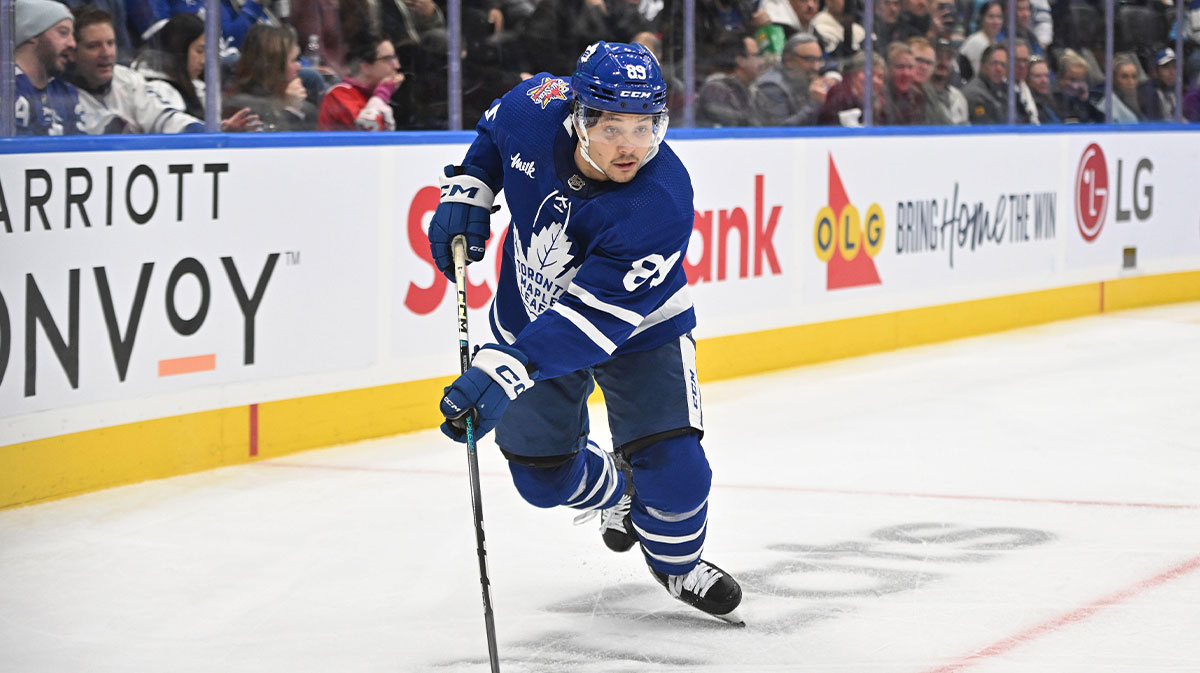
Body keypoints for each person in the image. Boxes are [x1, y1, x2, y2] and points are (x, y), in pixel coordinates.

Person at [428, 40, 744, 624]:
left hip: (639, 330)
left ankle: (676, 565)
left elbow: (592, 322)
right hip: (526, 318)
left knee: (678, 477)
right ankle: (618, 495)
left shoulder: (661, 200)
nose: (631, 147)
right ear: (578, 116)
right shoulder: (534, 105)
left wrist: (508, 367)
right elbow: (495, 134)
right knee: (542, 482)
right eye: (613, 128)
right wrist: (471, 183)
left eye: (646, 127)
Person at [66, 5, 207, 134]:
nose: (106, 53)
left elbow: (162, 117)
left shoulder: (127, 79)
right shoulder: (58, 93)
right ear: (72, 52)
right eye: (93, 46)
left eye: (110, 43)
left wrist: (210, 132)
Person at [223, 24, 318, 131]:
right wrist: (289, 109)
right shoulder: (241, 107)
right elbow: (276, 144)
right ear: (274, 66)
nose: (299, 67)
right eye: (293, 60)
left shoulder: (307, 109)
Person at [13, 0, 87, 135]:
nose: (72, 44)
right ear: (32, 34)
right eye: (63, 33)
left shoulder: (66, 92)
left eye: (72, 35)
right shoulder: (7, 90)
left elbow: (80, 150)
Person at [318, 34, 406, 130]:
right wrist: (382, 94)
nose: (397, 66)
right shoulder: (339, 95)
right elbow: (368, 131)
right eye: (388, 59)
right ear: (366, 67)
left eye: (395, 57)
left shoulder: (376, 95)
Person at [754, 33, 829, 125]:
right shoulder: (771, 85)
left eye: (819, 60)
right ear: (789, 60)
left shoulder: (804, 79)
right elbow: (780, 130)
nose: (816, 67)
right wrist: (815, 103)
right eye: (810, 59)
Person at [695, 34, 765, 127]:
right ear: (741, 60)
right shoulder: (715, 90)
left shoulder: (751, 89)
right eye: (756, 55)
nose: (761, 61)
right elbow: (736, 125)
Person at [819, 50, 886, 125]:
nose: (875, 80)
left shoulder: (882, 101)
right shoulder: (839, 96)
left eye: (880, 77)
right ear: (854, 74)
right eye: (870, 73)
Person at [926, 36, 969, 123]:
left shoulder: (959, 97)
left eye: (948, 57)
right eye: (938, 57)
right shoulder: (920, 96)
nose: (943, 62)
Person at [962, 42, 1007, 123]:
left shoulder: (1004, 90)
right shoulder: (974, 94)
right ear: (982, 65)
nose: (999, 69)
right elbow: (985, 129)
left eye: (1003, 65)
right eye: (994, 63)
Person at [959, 0, 1002, 77]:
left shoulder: (994, 42)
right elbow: (979, 76)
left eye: (999, 17)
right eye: (991, 16)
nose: (996, 21)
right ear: (982, 19)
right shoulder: (977, 41)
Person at [1137, 48, 1178, 121]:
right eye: (1166, 67)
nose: (1172, 72)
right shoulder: (1148, 92)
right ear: (1155, 71)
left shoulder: (1173, 91)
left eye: (1174, 67)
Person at [1110, 53, 1145, 123]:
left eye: (1134, 77)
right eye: (1124, 77)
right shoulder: (1108, 103)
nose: (1131, 82)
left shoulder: (1143, 100)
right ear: (1114, 79)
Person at [1026, 55, 1061, 123]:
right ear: (1028, 79)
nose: (1044, 81)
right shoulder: (1027, 104)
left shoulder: (1054, 100)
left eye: (1046, 76)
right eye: (1038, 76)